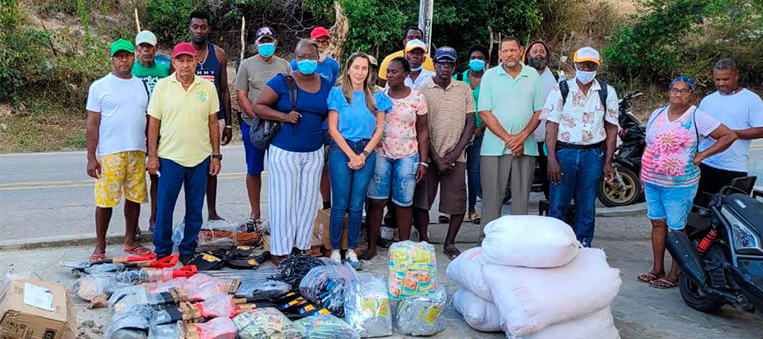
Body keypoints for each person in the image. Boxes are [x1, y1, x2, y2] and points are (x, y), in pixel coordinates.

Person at [638, 77, 736, 289]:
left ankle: (675, 273)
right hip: (653, 180)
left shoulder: (697, 117)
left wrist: (702, 155)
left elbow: (728, 136)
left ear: (691, 94)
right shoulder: (657, 114)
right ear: (669, 91)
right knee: (657, 223)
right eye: (675, 90)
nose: (678, 95)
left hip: (680, 184)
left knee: (677, 229)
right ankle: (657, 269)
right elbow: (650, 146)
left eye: (684, 91)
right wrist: (642, 172)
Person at [253, 39, 331, 265]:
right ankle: (280, 251)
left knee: (307, 203)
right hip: (284, 151)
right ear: (294, 59)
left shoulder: (325, 85)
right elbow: (258, 106)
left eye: (311, 56)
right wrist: (284, 117)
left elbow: (327, 114)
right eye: (302, 56)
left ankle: (302, 248)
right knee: (283, 203)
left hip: (314, 152)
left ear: (318, 58)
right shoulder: (282, 82)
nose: (307, 60)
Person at [147, 42, 222, 264]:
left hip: (200, 158)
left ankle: (188, 250)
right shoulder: (162, 86)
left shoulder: (207, 88)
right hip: (170, 158)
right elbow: (153, 123)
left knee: (195, 209)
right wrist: (152, 155)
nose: (185, 65)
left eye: (190, 60)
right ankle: (162, 251)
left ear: (197, 62)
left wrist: (215, 155)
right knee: (164, 208)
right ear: (173, 63)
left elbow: (212, 124)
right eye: (181, 60)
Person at [542, 47, 619, 248]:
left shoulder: (606, 92)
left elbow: (611, 129)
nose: (587, 68)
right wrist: (551, 159)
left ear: (597, 67)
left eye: (591, 65)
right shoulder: (561, 90)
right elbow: (551, 126)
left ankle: (583, 246)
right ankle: (555, 247)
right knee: (558, 203)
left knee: (587, 206)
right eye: (583, 64)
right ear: (575, 65)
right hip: (565, 153)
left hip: (593, 155)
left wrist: (608, 162)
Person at [85, 39, 151, 262]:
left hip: (137, 150)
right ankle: (100, 246)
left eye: (127, 56)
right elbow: (92, 124)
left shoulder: (140, 84)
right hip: (111, 152)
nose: (124, 60)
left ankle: (131, 240)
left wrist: (151, 148)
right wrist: (91, 157)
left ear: (134, 57)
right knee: (105, 201)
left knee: (134, 198)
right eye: (119, 56)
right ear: (112, 59)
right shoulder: (100, 86)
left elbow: (148, 118)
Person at [326, 52, 391, 269]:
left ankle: (351, 249)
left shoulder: (377, 97)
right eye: (356, 67)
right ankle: (336, 248)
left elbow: (380, 129)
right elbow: (333, 129)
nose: (359, 72)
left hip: (366, 151)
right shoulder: (337, 94)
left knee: (356, 204)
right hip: (341, 150)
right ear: (348, 69)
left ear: (369, 72)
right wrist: (351, 155)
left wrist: (362, 155)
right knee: (340, 204)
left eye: (364, 68)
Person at [364, 57, 429, 260]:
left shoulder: (417, 98)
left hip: (408, 156)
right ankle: (372, 246)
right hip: (381, 154)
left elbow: (423, 130)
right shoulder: (379, 96)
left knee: (403, 203)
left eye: (395, 72)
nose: (390, 75)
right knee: (376, 202)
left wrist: (423, 161)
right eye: (388, 72)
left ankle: (404, 247)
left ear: (406, 75)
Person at [414, 47, 476, 259]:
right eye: (441, 63)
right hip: (430, 157)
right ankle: (424, 239)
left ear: (455, 66)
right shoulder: (423, 89)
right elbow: (420, 127)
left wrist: (453, 155)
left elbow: (470, 123)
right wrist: (435, 158)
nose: (445, 67)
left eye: (449, 64)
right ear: (435, 64)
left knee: (457, 202)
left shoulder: (464, 89)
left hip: (456, 157)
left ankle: (450, 243)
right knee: (422, 201)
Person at [478, 37, 544, 232]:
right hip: (493, 148)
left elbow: (539, 111)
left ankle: (518, 244)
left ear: (521, 51)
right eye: (505, 51)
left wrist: (522, 137)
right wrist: (509, 139)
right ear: (499, 54)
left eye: (513, 50)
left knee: (521, 200)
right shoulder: (490, 76)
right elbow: (484, 112)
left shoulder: (532, 75)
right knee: (491, 200)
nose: (509, 54)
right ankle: (487, 242)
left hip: (526, 147)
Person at [235, 26, 291, 229]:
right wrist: (257, 117)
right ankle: (255, 213)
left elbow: (291, 92)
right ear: (256, 44)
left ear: (275, 43)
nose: (266, 45)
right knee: (254, 168)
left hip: (280, 126)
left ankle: (280, 211)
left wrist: (277, 118)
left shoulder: (285, 65)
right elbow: (241, 95)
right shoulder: (247, 65)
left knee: (280, 169)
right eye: (262, 42)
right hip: (253, 124)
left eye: (269, 41)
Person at [695, 58, 763, 202]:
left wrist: (728, 134)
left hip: (733, 167)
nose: (721, 83)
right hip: (705, 164)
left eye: (726, 79)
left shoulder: (751, 100)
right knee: (699, 213)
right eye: (717, 79)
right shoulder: (708, 100)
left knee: (728, 215)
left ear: (736, 75)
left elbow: (761, 129)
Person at [291, 27, 342, 213]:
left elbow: (332, 93)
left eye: (324, 42)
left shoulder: (333, 65)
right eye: (317, 42)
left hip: (325, 125)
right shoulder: (297, 64)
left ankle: (327, 205)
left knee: (325, 167)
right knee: (302, 167)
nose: (321, 45)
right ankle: (299, 206)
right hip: (302, 124)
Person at [188, 10, 231, 221]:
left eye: (203, 27)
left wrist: (230, 124)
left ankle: (212, 212)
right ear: (190, 28)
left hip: (215, 117)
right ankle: (191, 212)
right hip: (189, 119)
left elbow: (224, 89)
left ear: (208, 29)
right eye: (195, 26)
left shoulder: (218, 54)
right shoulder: (182, 56)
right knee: (190, 165)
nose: (199, 30)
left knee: (213, 162)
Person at [131, 30, 170, 236]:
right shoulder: (132, 69)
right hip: (138, 126)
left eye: (150, 47)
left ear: (156, 48)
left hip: (161, 128)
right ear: (137, 49)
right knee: (136, 177)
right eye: (142, 47)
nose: (146, 50)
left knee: (157, 175)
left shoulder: (164, 69)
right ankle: (133, 224)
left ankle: (154, 219)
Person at [456, 43, 489, 225]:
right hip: (459, 132)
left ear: (486, 61)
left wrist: (480, 127)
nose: (476, 61)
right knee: (457, 171)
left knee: (474, 171)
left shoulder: (490, 80)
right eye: (473, 58)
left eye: (480, 58)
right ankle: (451, 209)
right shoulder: (459, 77)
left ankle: (472, 209)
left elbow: (493, 106)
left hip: (479, 132)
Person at [524, 40, 557, 199]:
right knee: (522, 176)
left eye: (542, 51)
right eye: (535, 51)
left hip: (547, 137)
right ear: (527, 55)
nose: (538, 53)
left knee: (550, 176)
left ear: (547, 57)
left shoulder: (557, 78)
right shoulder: (521, 76)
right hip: (524, 136)